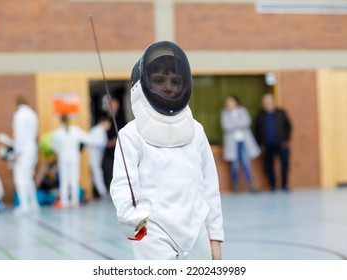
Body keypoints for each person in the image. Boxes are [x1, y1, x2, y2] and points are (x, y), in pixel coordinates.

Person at [110, 41, 224, 260]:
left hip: (196, 229)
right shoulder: (130, 134)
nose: (169, 86)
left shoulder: (196, 130)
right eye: (159, 80)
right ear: (141, 85)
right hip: (154, 230)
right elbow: (123, 185)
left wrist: (215, 237)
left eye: (175, 80)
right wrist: (130, 214)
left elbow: (210, 186)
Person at [52, 114, 95, 208]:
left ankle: (64, 202)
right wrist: (80, 149)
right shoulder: (75, 131)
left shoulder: (57, 133)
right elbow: (89, 139)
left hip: (63, 158)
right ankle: (74, 201)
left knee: (64, 179)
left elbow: (55, 148)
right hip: (74, 157)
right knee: (74, 178)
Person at [220, 96, 260, 192]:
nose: (229, 103)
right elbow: (226, 126)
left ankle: (251, 185)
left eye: (231, 101)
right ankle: (236, 186)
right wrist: (238, 123)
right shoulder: (225, 113)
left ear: (236, 102)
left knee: (246, 163)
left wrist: (233, 123)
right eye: (228, 102)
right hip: (233, 144)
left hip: (244, 142)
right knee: (235, 165)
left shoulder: (242, 111)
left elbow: (247, 122)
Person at [255, 93, 292, 192]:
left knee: (284, 164)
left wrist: (286, 139)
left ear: (273, 102)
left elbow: (288, 126)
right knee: (268, 166)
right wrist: (260, 144)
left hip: (281, 144)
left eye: (269, 102)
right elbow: (257, 130)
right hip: (267, 145)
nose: (267, 104)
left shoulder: (281, 112)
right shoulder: (260, 115)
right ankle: (272, 185)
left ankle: (284, 184)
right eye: (265, 102)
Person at [12, 96, 40, 215]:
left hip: (23, 151)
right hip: (32, 149)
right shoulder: (33, 114)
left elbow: (19, 135)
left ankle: (24, 205)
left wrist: (17, 152)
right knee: (28, 178)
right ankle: (33, 204)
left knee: (20, 178)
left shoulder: (19, 115)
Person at [88, 113, 112, 199]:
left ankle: (101, 192)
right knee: (97, 173)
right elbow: (93, 141)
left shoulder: (101, 131)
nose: (109, 126)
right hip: (93, 155)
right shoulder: (97, 130)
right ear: (104, 122)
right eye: (108, 123)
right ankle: (103, 193)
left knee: (96, 174)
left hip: (97, 156)